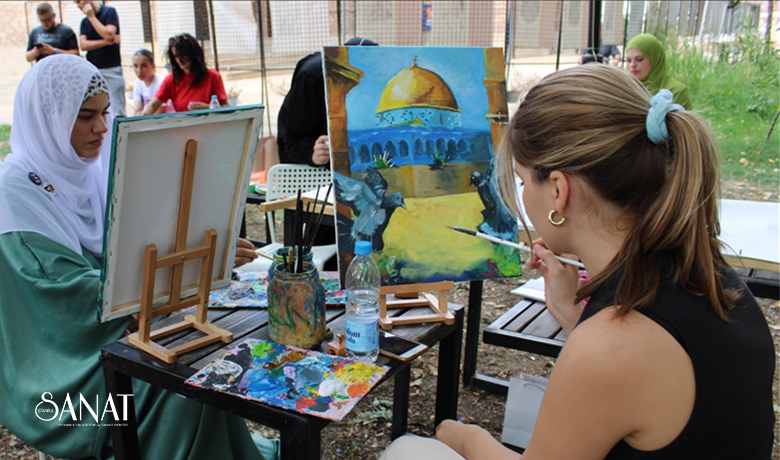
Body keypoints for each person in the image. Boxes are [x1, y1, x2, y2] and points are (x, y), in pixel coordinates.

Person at [381, 65, 774, 459]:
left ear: (557, 190)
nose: (520, 195)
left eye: (521, 180)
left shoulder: (610, 346)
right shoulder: (717, 277)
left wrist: (468, 439)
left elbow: (620, 364)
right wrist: (573, 315)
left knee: (407, 450)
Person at [0, 55, 272, 460]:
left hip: (121, 340)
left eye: (106, 113)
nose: (102, 128)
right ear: (47, 119)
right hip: (63, 385)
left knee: (204, 369)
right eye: (85, 116)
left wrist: (201, 247)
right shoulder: (14, 196)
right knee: (187, 390)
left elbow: (136, 246)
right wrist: (197, 268)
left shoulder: (87, 173)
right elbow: (66, 303)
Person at [276, 36, 377, 166]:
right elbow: (292, 137)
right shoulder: (313, 75)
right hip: (310, 170)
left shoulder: (370, 86)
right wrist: (312, 154)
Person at [143, 33, 228, 114]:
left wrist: (207, 108)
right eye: (176, 56)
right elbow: (153, 105)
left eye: (183, 55)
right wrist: (144, 114)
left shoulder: (213, 77)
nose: (179, 60)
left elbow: (226, 108)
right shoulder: (171, 79)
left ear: (193, 54)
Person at [78, 0, 126, 117]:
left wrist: (91, 16)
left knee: (117, 109)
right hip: (93, 68)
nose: (80, 6)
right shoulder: (84, 22)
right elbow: (84, 45)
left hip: (111, 67)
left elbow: (109, 34)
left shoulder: (109, 12)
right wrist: (106, 42)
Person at [625, 33, 692, 109]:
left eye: (639, 59)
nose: (632, 65)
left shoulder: (677, 92)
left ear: (654, 60)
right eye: (629, 60)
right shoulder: (625, 89)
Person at [128, 48, 167, 116]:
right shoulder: (138, 83)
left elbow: (162, 112)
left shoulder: (161, 83)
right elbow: (137, 108)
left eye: (143, 66)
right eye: (135, 66)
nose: (139, 70)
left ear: (153, 66)